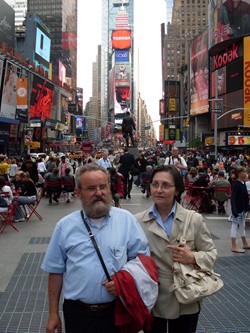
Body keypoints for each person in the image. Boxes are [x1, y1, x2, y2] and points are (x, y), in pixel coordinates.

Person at [41, 163, 149, 333]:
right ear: (78, 192)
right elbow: (55, 271)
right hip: (78, 314)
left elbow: (143, 262)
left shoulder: (126, 220)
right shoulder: (65, 226)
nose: (98, 193)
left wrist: (123, 281)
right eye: (91, 188)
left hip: (117, 311)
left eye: (102, 187)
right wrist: (53, 313)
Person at [135, 165, 218, 333]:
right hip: (152, 297)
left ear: (177, 190)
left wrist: (193, 257)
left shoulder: (193, 219)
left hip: (185, 296)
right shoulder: (137, 221)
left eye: (166, 185)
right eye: (155, 184)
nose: (159, 190)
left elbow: (211, 254)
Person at [229, 166, 250, 253]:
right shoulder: (236, 184)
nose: (246, 173)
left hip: (242, 209)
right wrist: (234, 210)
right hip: (238, 209)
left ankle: (245, 243)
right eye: (244, 172)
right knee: (234, 225)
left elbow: (245, 197)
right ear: (240, 173)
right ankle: (234, 245)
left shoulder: (242, 183)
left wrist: (247, 207)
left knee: (242, 225)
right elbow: (233, 198)